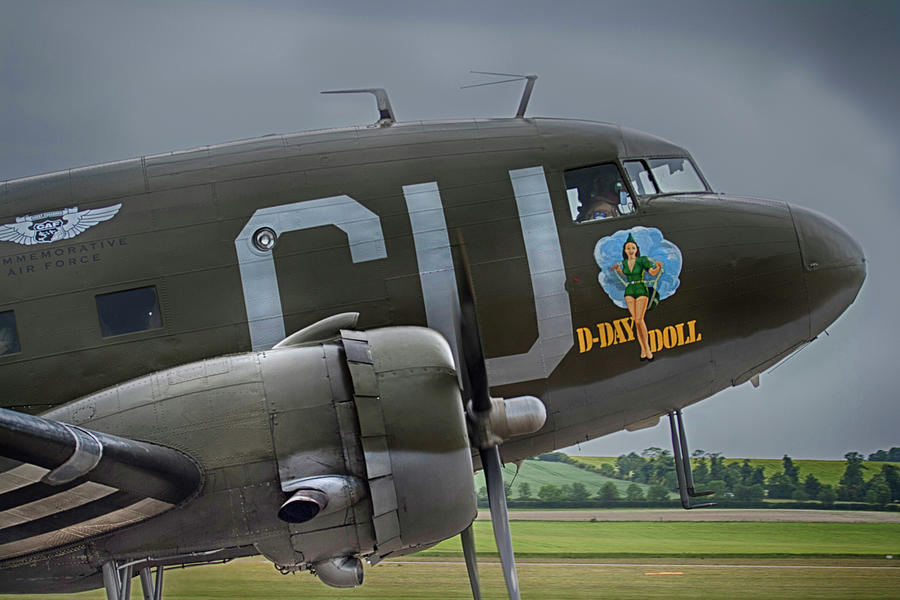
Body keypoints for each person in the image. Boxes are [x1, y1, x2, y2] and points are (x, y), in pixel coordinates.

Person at [611, 234, 663, 360]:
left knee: (639, 320)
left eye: (633, 248)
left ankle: (647, 349)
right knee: (636, 321)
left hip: (641, 289)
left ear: (636, 249)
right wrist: (618, 270)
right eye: (628, 248)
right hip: (629, 290)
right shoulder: (624, 262)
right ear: (625, 250)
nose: (630, 250)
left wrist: (658, 267)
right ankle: (643, 350)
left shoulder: (642, 260)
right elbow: (626, 274)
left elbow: (651, 272)